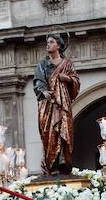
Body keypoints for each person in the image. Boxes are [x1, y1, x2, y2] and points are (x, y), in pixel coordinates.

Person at [34, 34, 80, 175]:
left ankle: (64, 163)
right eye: (47, 42)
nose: (47, 45)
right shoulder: (42, 65)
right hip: (48, 105)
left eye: (51, 42)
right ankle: (52, 165)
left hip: (63, 104)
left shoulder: (68, 64)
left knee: (64, 131)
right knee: (50, 133)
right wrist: (44, 92)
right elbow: (38, 82)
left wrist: (66, 78)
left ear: (58, 45)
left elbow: (76, 81)